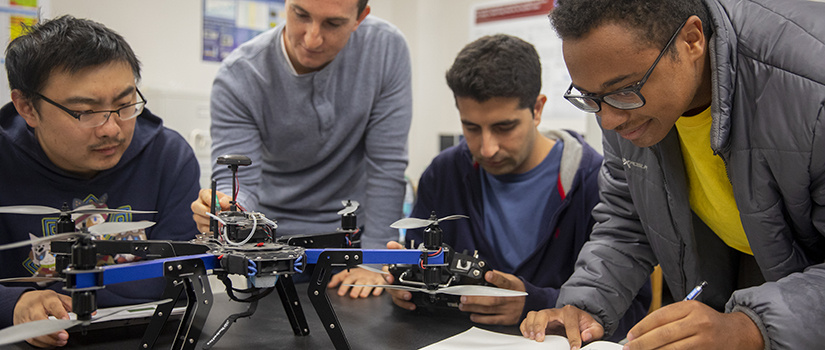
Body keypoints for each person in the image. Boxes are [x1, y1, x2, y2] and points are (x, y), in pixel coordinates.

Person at [519, 0, 825, 349]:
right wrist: (585, 305)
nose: (608, 121)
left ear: (692, 40)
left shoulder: (812, 88)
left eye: (623, 91)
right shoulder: (620, 102)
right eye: (590, 98)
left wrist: (751, 327)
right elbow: (628, 218)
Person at [384, 34, 650, 338]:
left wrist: (533, 303)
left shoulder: (596, 183)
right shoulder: (442, 175)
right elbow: (419, 269)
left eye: (504, 127)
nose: (487, 149)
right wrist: (406, 285)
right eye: (471, 127)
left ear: (537, 109)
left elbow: (632, 314)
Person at [0, 15, 200, 347]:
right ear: (27, 107)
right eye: (85, 112)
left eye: (125, 105)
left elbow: (174, 278)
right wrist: (14, 303)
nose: (111, 129)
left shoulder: (169, 157)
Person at [190, 0, 411, 298]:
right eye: (300, 15)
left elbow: (387, 166)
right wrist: (227, 209)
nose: (312, 38)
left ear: (360, 18)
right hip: (274, 246)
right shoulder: (239, 77)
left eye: (333, 24)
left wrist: (374, 261)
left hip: (354, 242)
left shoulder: (385, 49)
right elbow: (241, 181)